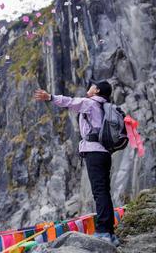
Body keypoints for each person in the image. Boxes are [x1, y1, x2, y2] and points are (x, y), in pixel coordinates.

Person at [34, 80, 120, 247]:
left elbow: (70, 102)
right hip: (105, 153)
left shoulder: (90, 103)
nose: (89, 87)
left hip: (94, 152)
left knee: (99, 192)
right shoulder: (106, 106)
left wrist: (50, 97)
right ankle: (110, 233)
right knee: (104, 192)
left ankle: (103, 232)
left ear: (96, 90)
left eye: (92, 86)